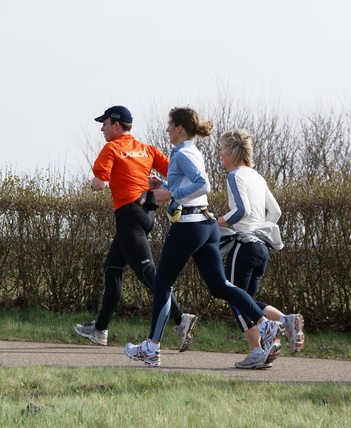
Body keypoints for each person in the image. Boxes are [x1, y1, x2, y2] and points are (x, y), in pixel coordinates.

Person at [124, 107, 284, 367]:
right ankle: (264, 324)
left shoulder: (185, 152)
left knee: (162, 285)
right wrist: (162, 186)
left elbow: (203, 184)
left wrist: (169, 195)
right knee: (220, 286)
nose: (166, 130)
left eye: (169, 125)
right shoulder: (190, 152)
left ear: (178, 128)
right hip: (206, 224)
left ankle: (151, 348)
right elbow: (191, 187)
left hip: (188, 225)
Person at [73, 106, 198, 352]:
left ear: (117, 125)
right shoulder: (148, 149)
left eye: (105, 123)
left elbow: (99, 184)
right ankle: (99, 330)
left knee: (147, 272)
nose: (102, 128)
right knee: (111, 267)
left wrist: (92, 183)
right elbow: (176, 173)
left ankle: (181, 318)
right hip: (145, 215)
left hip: (129, 217)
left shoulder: (112, 148)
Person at [216, 129, 305, 369]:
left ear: (233, 153)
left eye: (222, 149)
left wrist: (216, 223)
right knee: (248, 300)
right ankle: (286, 320)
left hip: (243, 247)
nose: (220, 154)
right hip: (262, 248)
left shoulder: (235, 175)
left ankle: (258, 351)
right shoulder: (257, 176)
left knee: (235, 299)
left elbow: (240, 212)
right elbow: (275, 212)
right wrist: (260, 231)